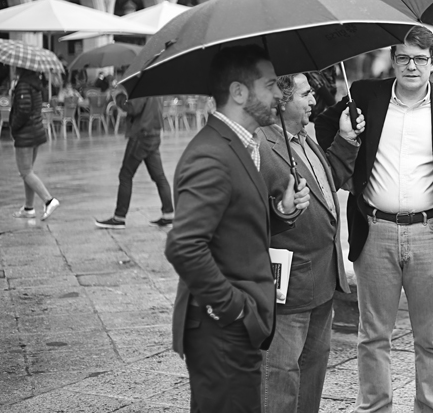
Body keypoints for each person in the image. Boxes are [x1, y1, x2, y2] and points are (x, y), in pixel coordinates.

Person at [315, 26, 433, 413]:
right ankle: (375, 407)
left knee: (432, 337)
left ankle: (432, 407)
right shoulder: (364, 96)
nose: (411, 66)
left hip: (431, 232)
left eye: (420, 59)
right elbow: (323, 128)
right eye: (403, 57)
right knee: (373, 335)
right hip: (375, 231)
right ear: (392, 60)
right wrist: (347, 146)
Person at [164, 46, 311, 413]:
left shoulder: (243, 145)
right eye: (270, 85)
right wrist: (234, 309)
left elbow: (236, 224)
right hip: (222, 330)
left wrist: (282, 211)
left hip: (236, 330)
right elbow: (184, 246)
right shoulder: (211, 154)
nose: (279, 95)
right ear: (239, 92)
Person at [258, 73, 364, 413]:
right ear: (281, 100)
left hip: (323, 277)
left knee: (313, 368)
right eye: (305, 95)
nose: (314, 101)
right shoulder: (261, 145)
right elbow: (241, 210)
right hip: (291, 285)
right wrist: (279, 211)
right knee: (281, 373)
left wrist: (346, 138)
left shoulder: (306, 138)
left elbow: (326, 185)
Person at [95, 89, 174, 229]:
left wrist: (119, 97)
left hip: (141, 136)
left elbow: (133, 108)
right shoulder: (156, 87)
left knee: (126, 175)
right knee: (159, 177)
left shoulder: (143, 87)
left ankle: (119, 217)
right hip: (153, 134)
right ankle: (168, 215)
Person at [10, 68, 61, 221]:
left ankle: (49, 200)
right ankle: (28, 208)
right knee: (28, 172)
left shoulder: (23, 85)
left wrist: (13, 126)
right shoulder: (35, 84)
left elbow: (23, 111)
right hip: (35, 131)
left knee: (25, 172)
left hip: (25, 133)